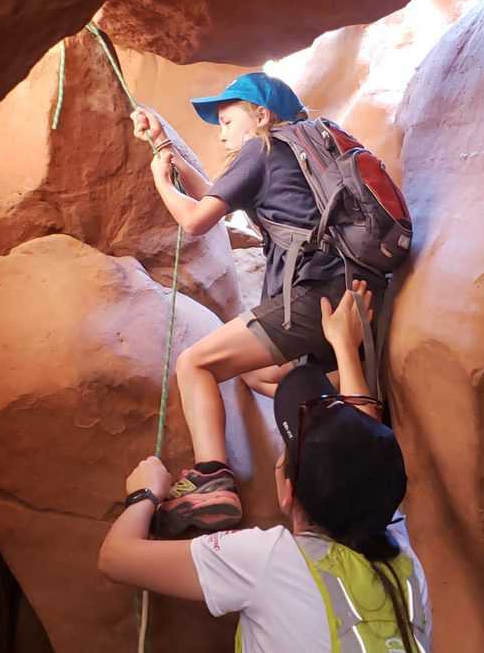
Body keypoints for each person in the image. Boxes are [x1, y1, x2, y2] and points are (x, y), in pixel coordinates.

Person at [98, 284, 432, 652]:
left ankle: (211, 473)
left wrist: (144, 493)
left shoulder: (269, 562)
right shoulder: (404, 560)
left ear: (287, 494)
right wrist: (344, 346)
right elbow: (364, 447)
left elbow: (116, 558)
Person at [131, 72, 390, 535]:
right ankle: (330, 386)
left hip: (314, 301)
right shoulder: (298, 152)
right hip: (350, 292)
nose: (222, 131)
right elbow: (220, 195)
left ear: (261, 115)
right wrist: (163, 145)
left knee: (196, 364)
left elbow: (196, 220)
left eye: (228, 120)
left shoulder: (263, 149)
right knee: (253, 371)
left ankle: (211, 479)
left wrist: (160, 181)